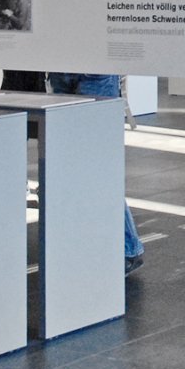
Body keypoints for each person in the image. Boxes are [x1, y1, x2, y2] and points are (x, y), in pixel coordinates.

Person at [47, 71, 145, 274]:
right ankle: (89, 244)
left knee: (99, 167)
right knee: (70, 165)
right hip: (61, 69)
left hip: (95, 73)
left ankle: (128, 248)